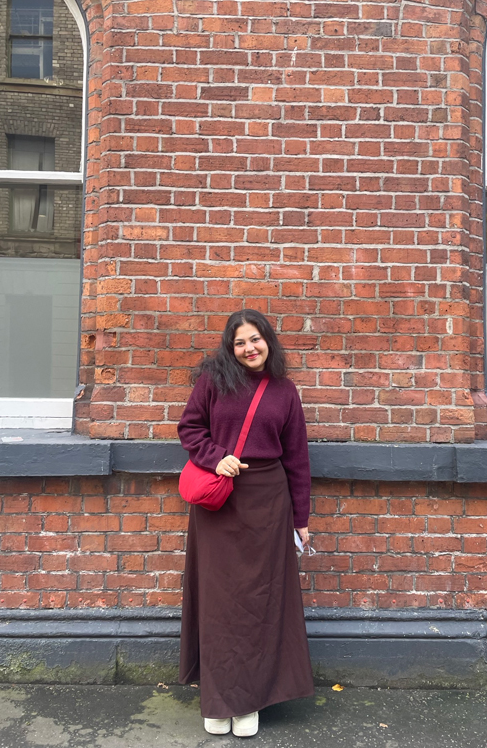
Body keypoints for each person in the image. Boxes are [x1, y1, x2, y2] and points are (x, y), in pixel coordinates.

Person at [177, 308, 315, 737]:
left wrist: (301, 518)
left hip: (268, 505)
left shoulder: (285, 391)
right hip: (220, 503)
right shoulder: (214, 382)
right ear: (230, 347)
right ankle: (219, 700)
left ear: (267, 341)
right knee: (218, 603)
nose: (248, 348)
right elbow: (189, 428)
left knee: (260, 603)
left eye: (255, 339)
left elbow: (297, 459)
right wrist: (218, 458)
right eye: (239, 342)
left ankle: (249, 701)